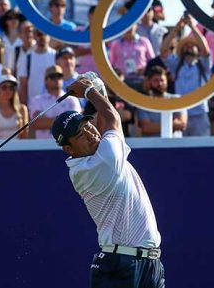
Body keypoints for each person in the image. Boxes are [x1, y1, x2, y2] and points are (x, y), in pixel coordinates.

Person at [52, 75, 165, 287]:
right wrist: (90, 92)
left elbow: (105, 122)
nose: (89, 133)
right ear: (68, 149)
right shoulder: (97, 165)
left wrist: (100, 93)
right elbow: (112, 119)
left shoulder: (95, 156)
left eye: (87, 125)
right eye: (80, 134)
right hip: (120, 265)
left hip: (148, 263)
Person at [161, 14, 212, 136]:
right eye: (186, 45)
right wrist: (176, 29)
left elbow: (205, 50)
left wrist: (192, 27)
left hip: (200, 114)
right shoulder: (177, 65)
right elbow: (163, 51)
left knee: (202, 149)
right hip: (181, 114)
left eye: (192, 45)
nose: (189, 47)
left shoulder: (203, 65)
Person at [29, 65, 81, 139]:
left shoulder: (72, 99)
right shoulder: (36, 100)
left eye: (59, 76)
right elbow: (37, 123)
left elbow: (75, 121)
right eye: (53, 77)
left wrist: (48, 121)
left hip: (68, 144)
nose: (56, 79)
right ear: (45, 80)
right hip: (42, 146)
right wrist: (65, 120)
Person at [137, 66, 188, 138]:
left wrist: (154, 126)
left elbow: (182, 125)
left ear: (167, 81)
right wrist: (173, 124)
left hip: (175, 144)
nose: (160, 84)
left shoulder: (176, 99)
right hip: (151, 146)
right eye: (156, 81)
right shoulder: (143, 102)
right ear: (149, 82)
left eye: (162, 80)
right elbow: (146, 128)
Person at [17, 29, 56, 105]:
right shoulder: (26, 58)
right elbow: (23, 84)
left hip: (53, 105)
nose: (42, 37)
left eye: (45, 34)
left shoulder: (55, 56)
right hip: (33, 106)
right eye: (39, 34)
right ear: (34, 36)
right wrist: (24, 105)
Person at [0, 75, 29, 140]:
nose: (7, 90)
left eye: (11, 88)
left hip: (18, 148)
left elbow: (25, 136)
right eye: (4, 87)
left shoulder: (22, 109)